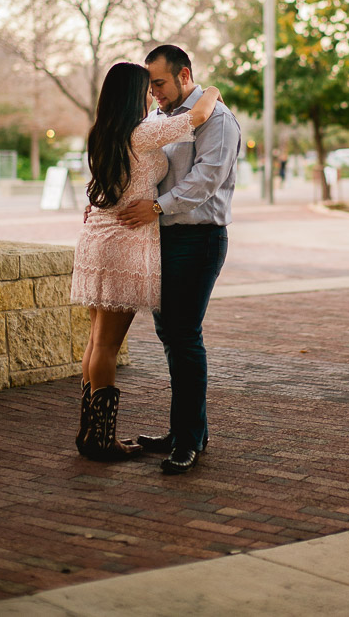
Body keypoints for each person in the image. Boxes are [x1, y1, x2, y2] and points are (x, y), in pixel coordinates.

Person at [71, 61, 221, 462]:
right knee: (106, 344)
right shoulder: (142, 133)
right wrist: (213, 90)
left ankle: (90, 435)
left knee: (95, 341)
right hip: (122, 244)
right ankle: (102, 441)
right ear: (131, 96)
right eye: (146, 90)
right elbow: (201, 114)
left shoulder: (100, 133)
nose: (152, 96)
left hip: (96, 240)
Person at [117, 44, 241, 475]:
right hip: (162, 241)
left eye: (160, 83)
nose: (154, 93)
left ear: (184, 75)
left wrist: (156, 207)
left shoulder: (218, 120)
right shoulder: (160, 119)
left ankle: (187, 442)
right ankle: (187, 430)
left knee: (185, 336)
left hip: (198, 239)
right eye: (151, 86)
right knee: (170, 335)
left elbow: (207, 179)